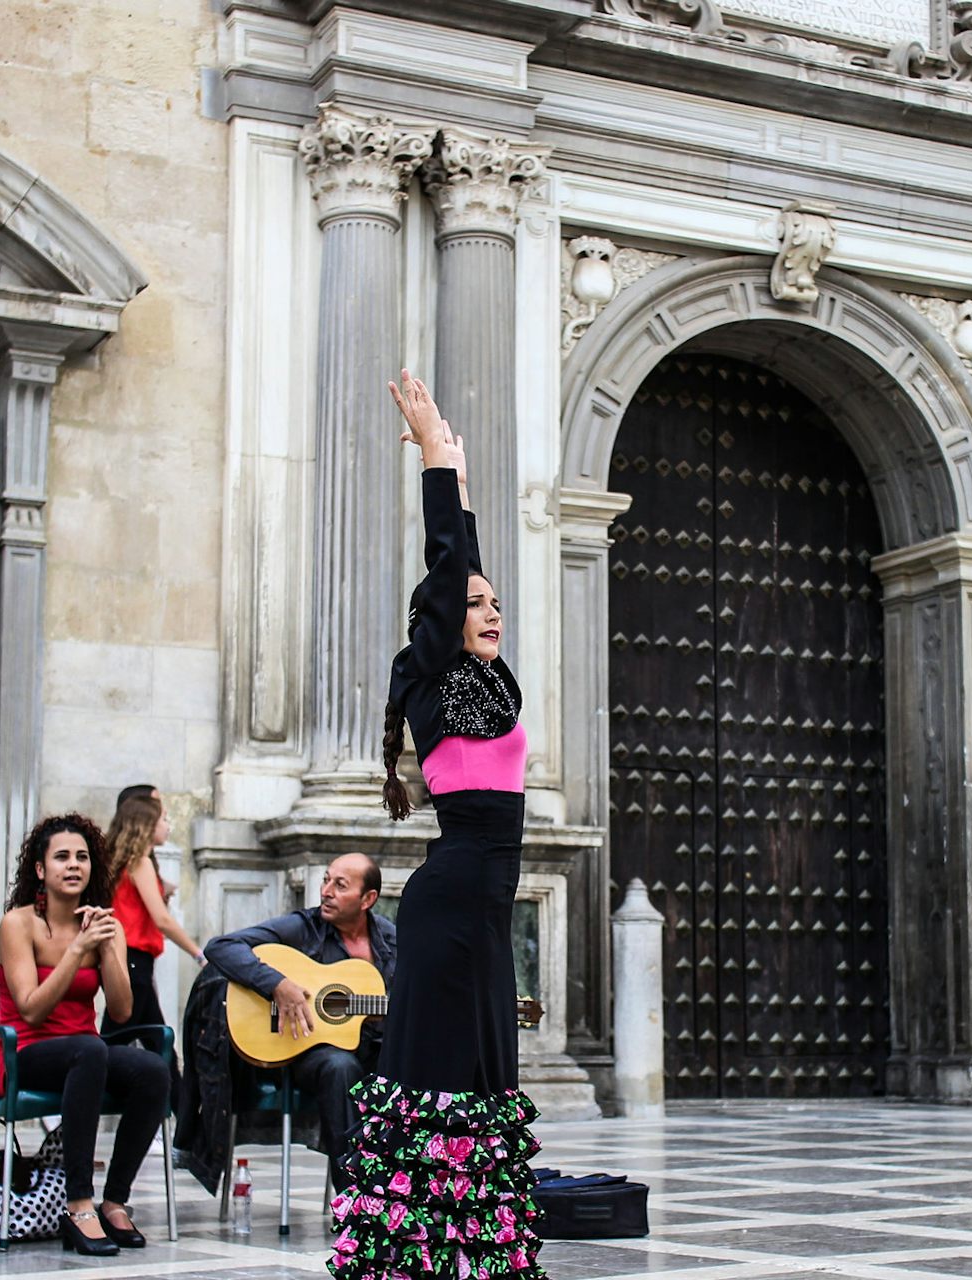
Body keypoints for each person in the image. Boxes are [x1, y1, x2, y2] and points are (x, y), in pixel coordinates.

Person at [329, 370, 543, 1279]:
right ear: (441, 620)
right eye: (477, 604)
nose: (490, 611)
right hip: (452, 904)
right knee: (439, 1079)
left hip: (485, 913)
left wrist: (460, 482)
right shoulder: (432, 682)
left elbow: (468, 561)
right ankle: (406, 1251)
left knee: (487, 1078)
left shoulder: (482, 682)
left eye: (498, 603)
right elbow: (451, 563)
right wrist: (435, 458)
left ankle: (477, 1250)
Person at [0, 813, 170, 1256]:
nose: (73, 865)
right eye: (61, 857)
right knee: (90, 1050)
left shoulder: (103, 923)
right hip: (25, 1054)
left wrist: (109, 947)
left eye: (82, 857)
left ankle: (114, 1201)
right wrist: (77, 950)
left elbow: (123, 1010)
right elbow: (31, 1009)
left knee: (152, 1068)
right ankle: (78, 1204)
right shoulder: (19, 924)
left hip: (83, 1055)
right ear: (40, 869)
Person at [202, 854, 396, 1190]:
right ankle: (354, 1201)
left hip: (374, 1053)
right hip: (305, 1055)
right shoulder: (303, 928)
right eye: (325, 880)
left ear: (369, 900)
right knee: (339, 1067)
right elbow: (221, 946)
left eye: (340, 885)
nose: (326, 891)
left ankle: (414, 1196)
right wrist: (277, 985)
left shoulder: (392, 941)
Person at [101, 790, 205, 1100]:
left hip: (130, 962)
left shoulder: (131, 863)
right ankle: (183, 1128)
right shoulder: (140, 862)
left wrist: (163, 888)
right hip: (132, 962)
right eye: (163, 818)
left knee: (154, 1046)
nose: (169, 824)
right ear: (147, 824)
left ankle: (181, 1127)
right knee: (150, 1048)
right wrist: (198, 953)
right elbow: (161, 919)